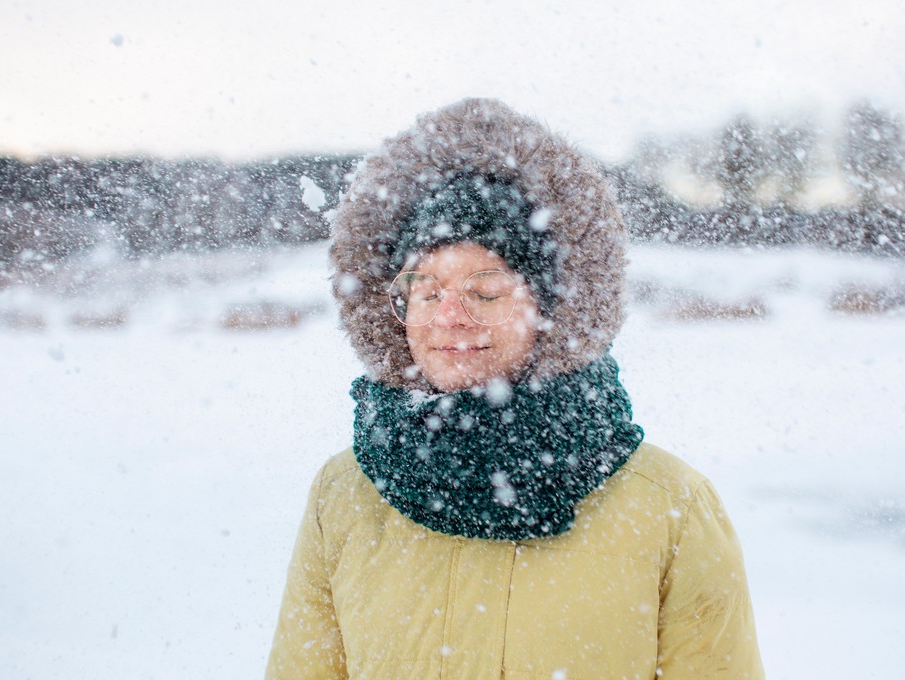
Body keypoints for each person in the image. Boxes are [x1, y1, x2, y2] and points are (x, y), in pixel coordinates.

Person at [266, 98, 763, 679]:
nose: (448, 316)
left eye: (485, 291)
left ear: (550, 308)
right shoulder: (343, 497)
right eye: (425, 291)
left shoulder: (669, 507)